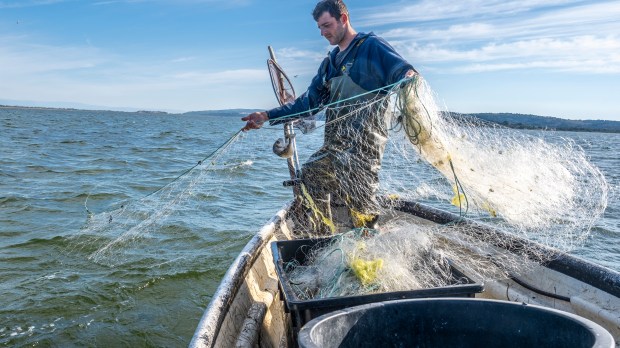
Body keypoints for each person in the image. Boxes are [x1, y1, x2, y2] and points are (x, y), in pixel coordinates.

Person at [242, 0, 416, 234]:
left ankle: (372, 246)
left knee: (362, 207)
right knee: (311, 174)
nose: (324, 33)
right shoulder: (330, 63)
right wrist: (266, 115)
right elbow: (307, 104)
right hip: (335, 146)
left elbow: (402, 70)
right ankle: (324, 235)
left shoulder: (370, 46)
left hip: (363, 146)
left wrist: (408, 76)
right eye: (320, 28)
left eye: (327, 25)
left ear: (343, 19)